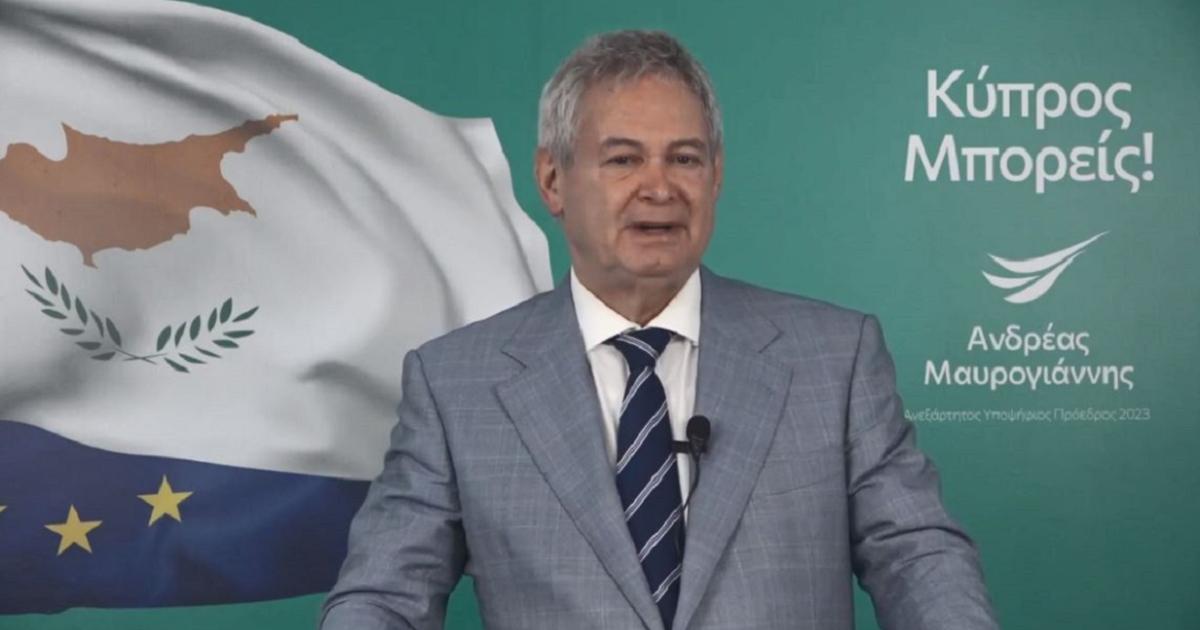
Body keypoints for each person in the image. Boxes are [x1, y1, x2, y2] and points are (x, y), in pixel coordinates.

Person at [321, 30, 998, 630]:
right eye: (623, 159)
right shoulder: (455, 386)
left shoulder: (835, 360)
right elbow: (386, 596)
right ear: (552, 180)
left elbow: (916, 556)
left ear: (716, 176)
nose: (659, 187)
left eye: (685, 159)